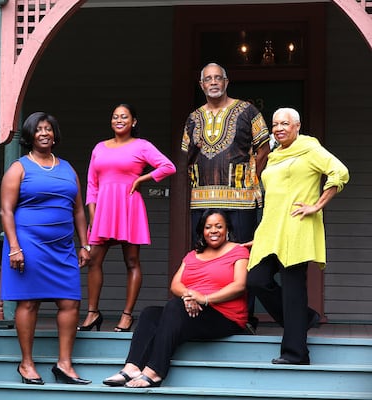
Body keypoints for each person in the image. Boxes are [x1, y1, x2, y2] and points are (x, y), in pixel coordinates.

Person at [247, 108, 349, 365]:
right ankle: (304, 318)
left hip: (296, 227)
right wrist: (260, 234)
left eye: (285, 123)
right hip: (271, 229)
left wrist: (317, 205)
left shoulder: (310, 149)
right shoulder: (274, 155)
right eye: (275, 124)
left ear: (297, 126)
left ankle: (296, 353)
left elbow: (340, 172)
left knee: (292, 290)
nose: (279, 128)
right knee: (256, 280)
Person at [102, 209, 249, 388]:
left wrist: (204, 298)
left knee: (173, 306)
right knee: (150, 313)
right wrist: (189, 297)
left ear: (227, 230)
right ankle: (132, 367)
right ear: (202, 230)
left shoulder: (238, 251)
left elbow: (239, 285)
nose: (213, 231)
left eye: (219, 226)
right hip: (191, 310)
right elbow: (175, 285)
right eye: (208, 227)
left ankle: (155, 371)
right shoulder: (192, 255)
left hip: (224, 317)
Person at [0, 112, 91, 385]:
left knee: (70, 302)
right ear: (30, 135)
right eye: (38, 129)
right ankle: (26, 363)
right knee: (29, 301)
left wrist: (84, 244)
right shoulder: (19, 167)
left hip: (62, 247)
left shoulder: (67, 168)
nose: (44, 133)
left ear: (55, 134)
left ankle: (64, 364)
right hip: (28, 244)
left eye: (48, 129)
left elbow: (78, 211)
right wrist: (14, 247)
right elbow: (6, 210)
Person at [181, 62, 270, 331]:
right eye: (208, 79)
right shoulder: (193, 118)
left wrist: (250, 178)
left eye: (218, 77)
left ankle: (246, 317)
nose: (213, 82)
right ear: (201, 85)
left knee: (241, 257)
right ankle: (200, 311)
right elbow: (187, 154)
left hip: (240, 199)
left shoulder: (247, 111)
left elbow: (264, 149)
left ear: (227, 81)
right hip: (202, 199)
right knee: (203, 256)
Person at [78, 103, 177, 332]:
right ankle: (92, 313)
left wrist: (142, 179)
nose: (119, 120)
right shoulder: (99, 148)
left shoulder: (142, 146)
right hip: (102, 210)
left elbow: (168, 166)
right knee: (94, 260)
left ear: (133, 122)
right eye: (115, 117)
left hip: (128, 208)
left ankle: (126, 315)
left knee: (131, 261)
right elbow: (92, 184)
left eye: (124, 117)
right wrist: (93, 215)